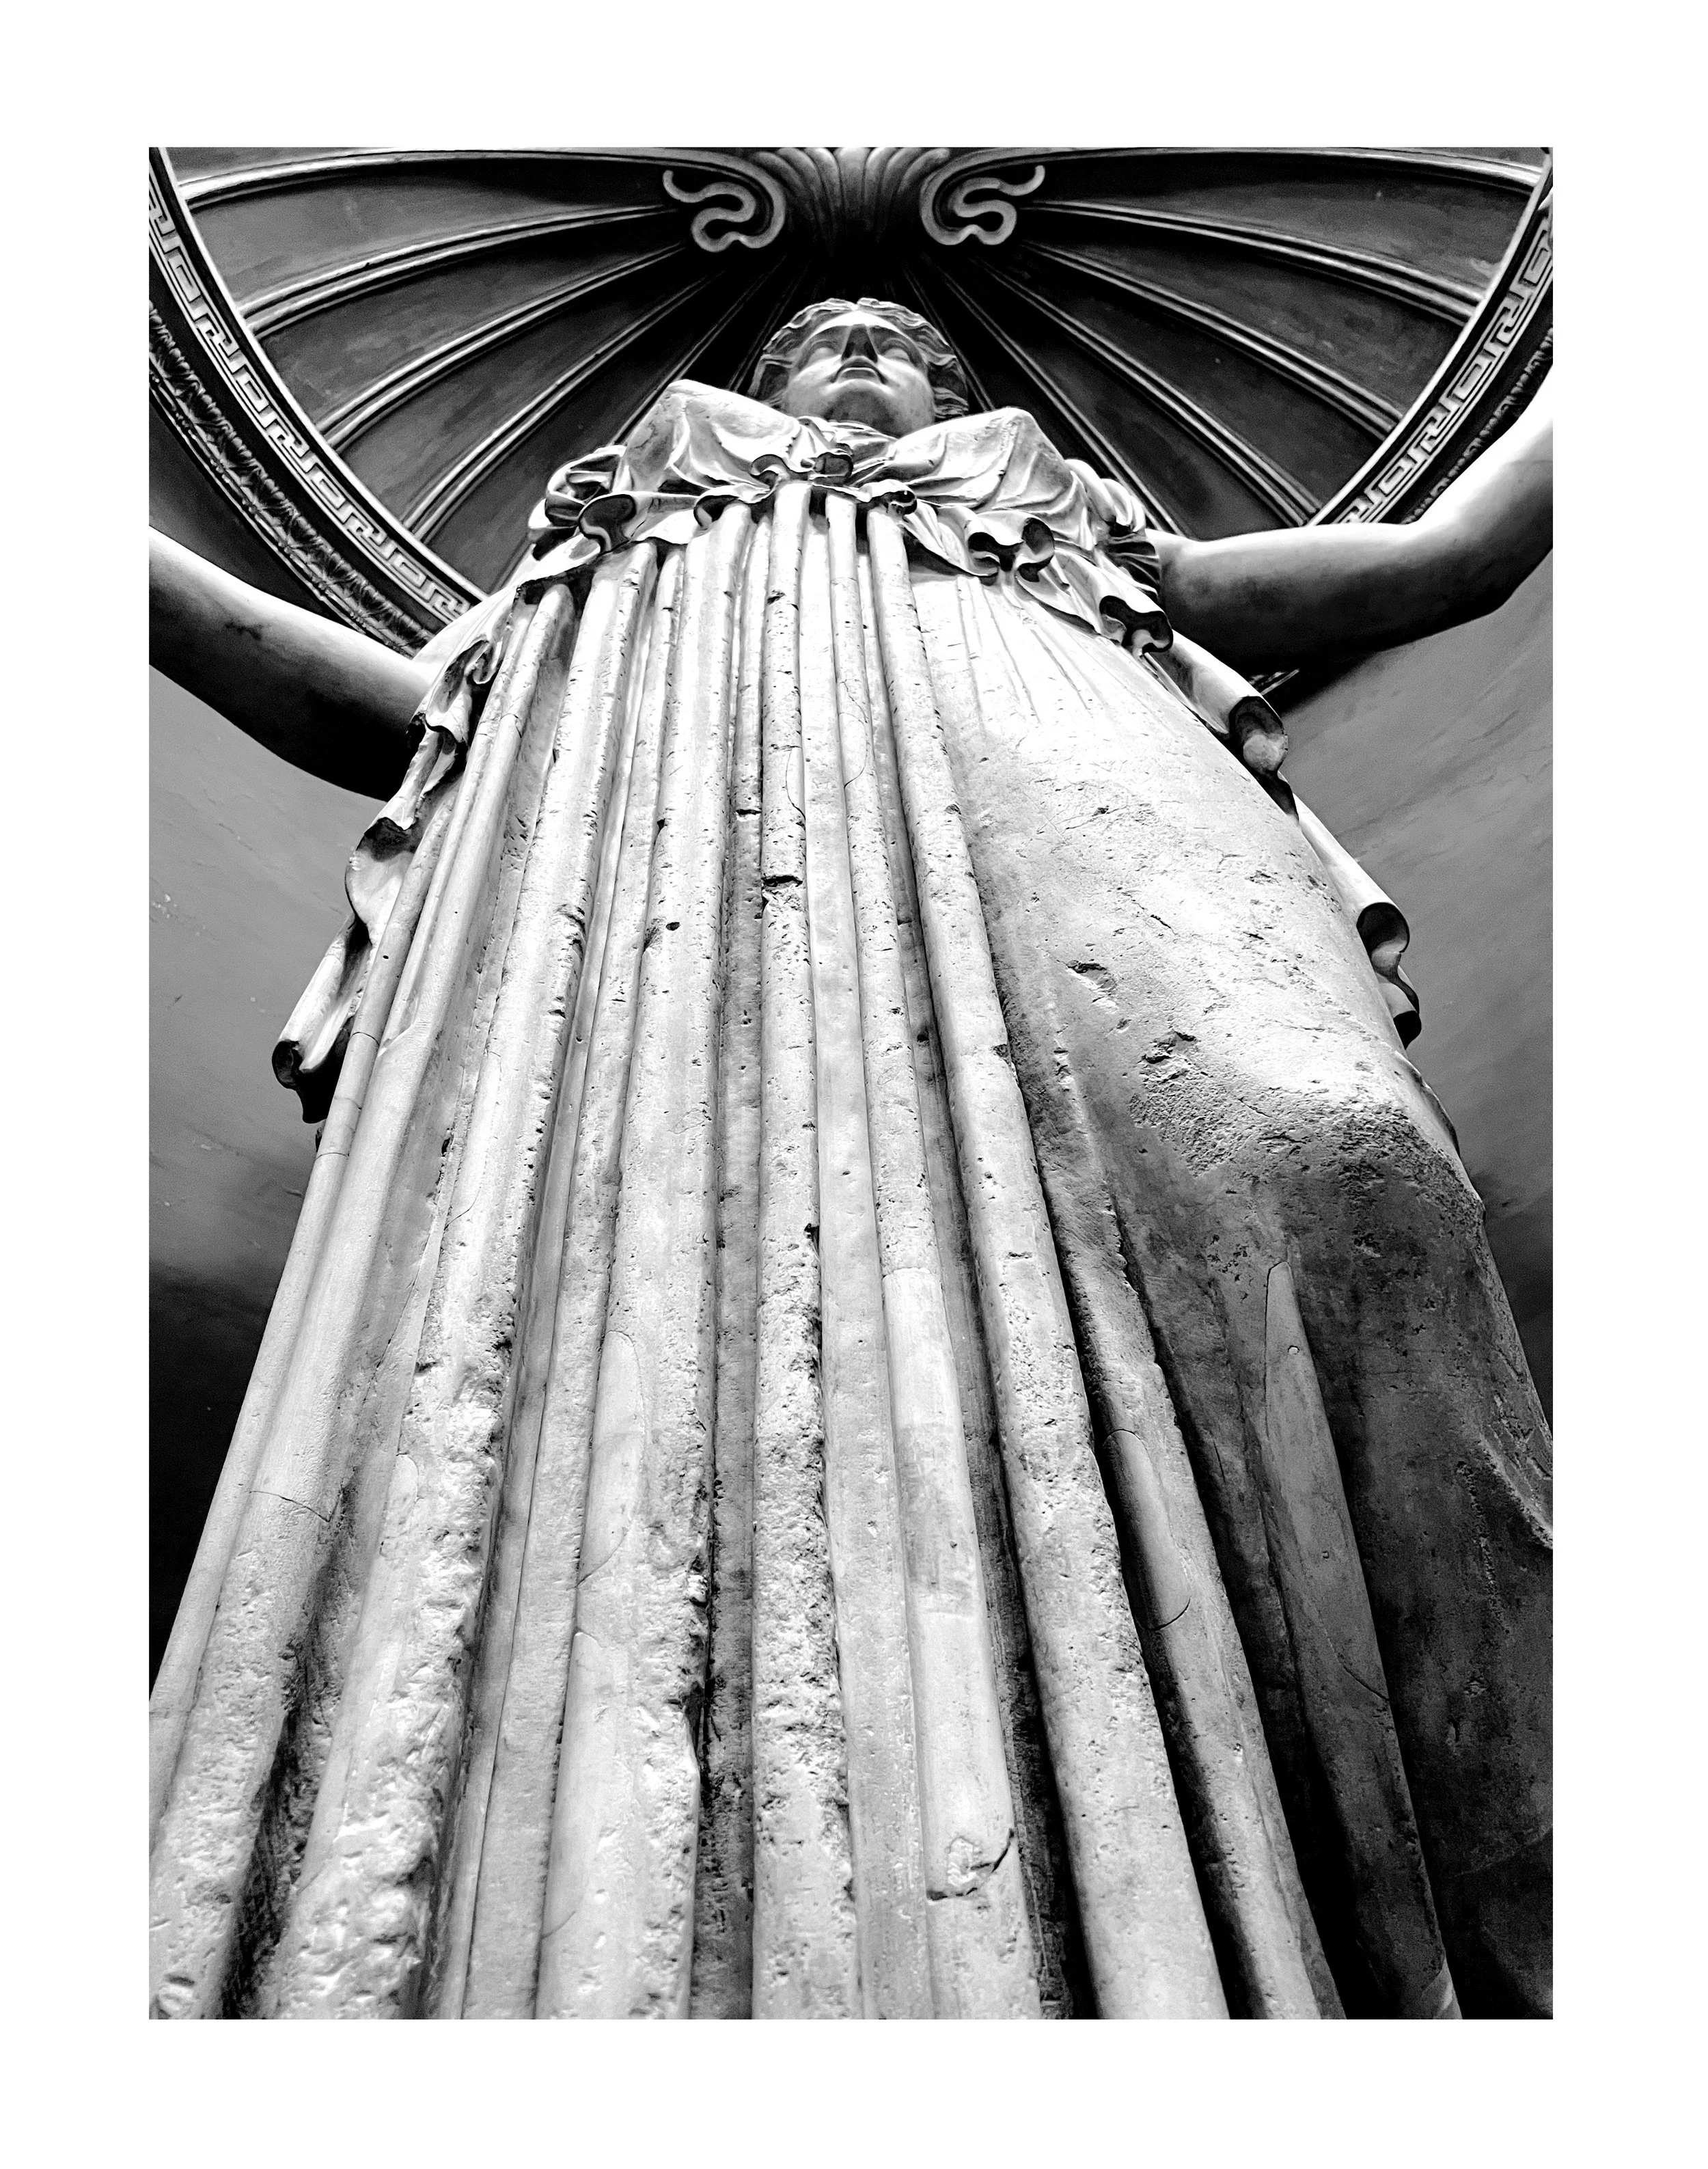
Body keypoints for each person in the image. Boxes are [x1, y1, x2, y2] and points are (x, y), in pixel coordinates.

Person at [149, 298, 1552, 2022]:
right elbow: (381, 706)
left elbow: (1453, 558)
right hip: (677, 866)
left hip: (1079, 771)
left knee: (1337, 1159)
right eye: (826, 335)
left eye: (906, 342)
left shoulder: (1066, 518)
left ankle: (1492, 1928)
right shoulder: (615, 538)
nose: (867, 348)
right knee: (661, 1325)